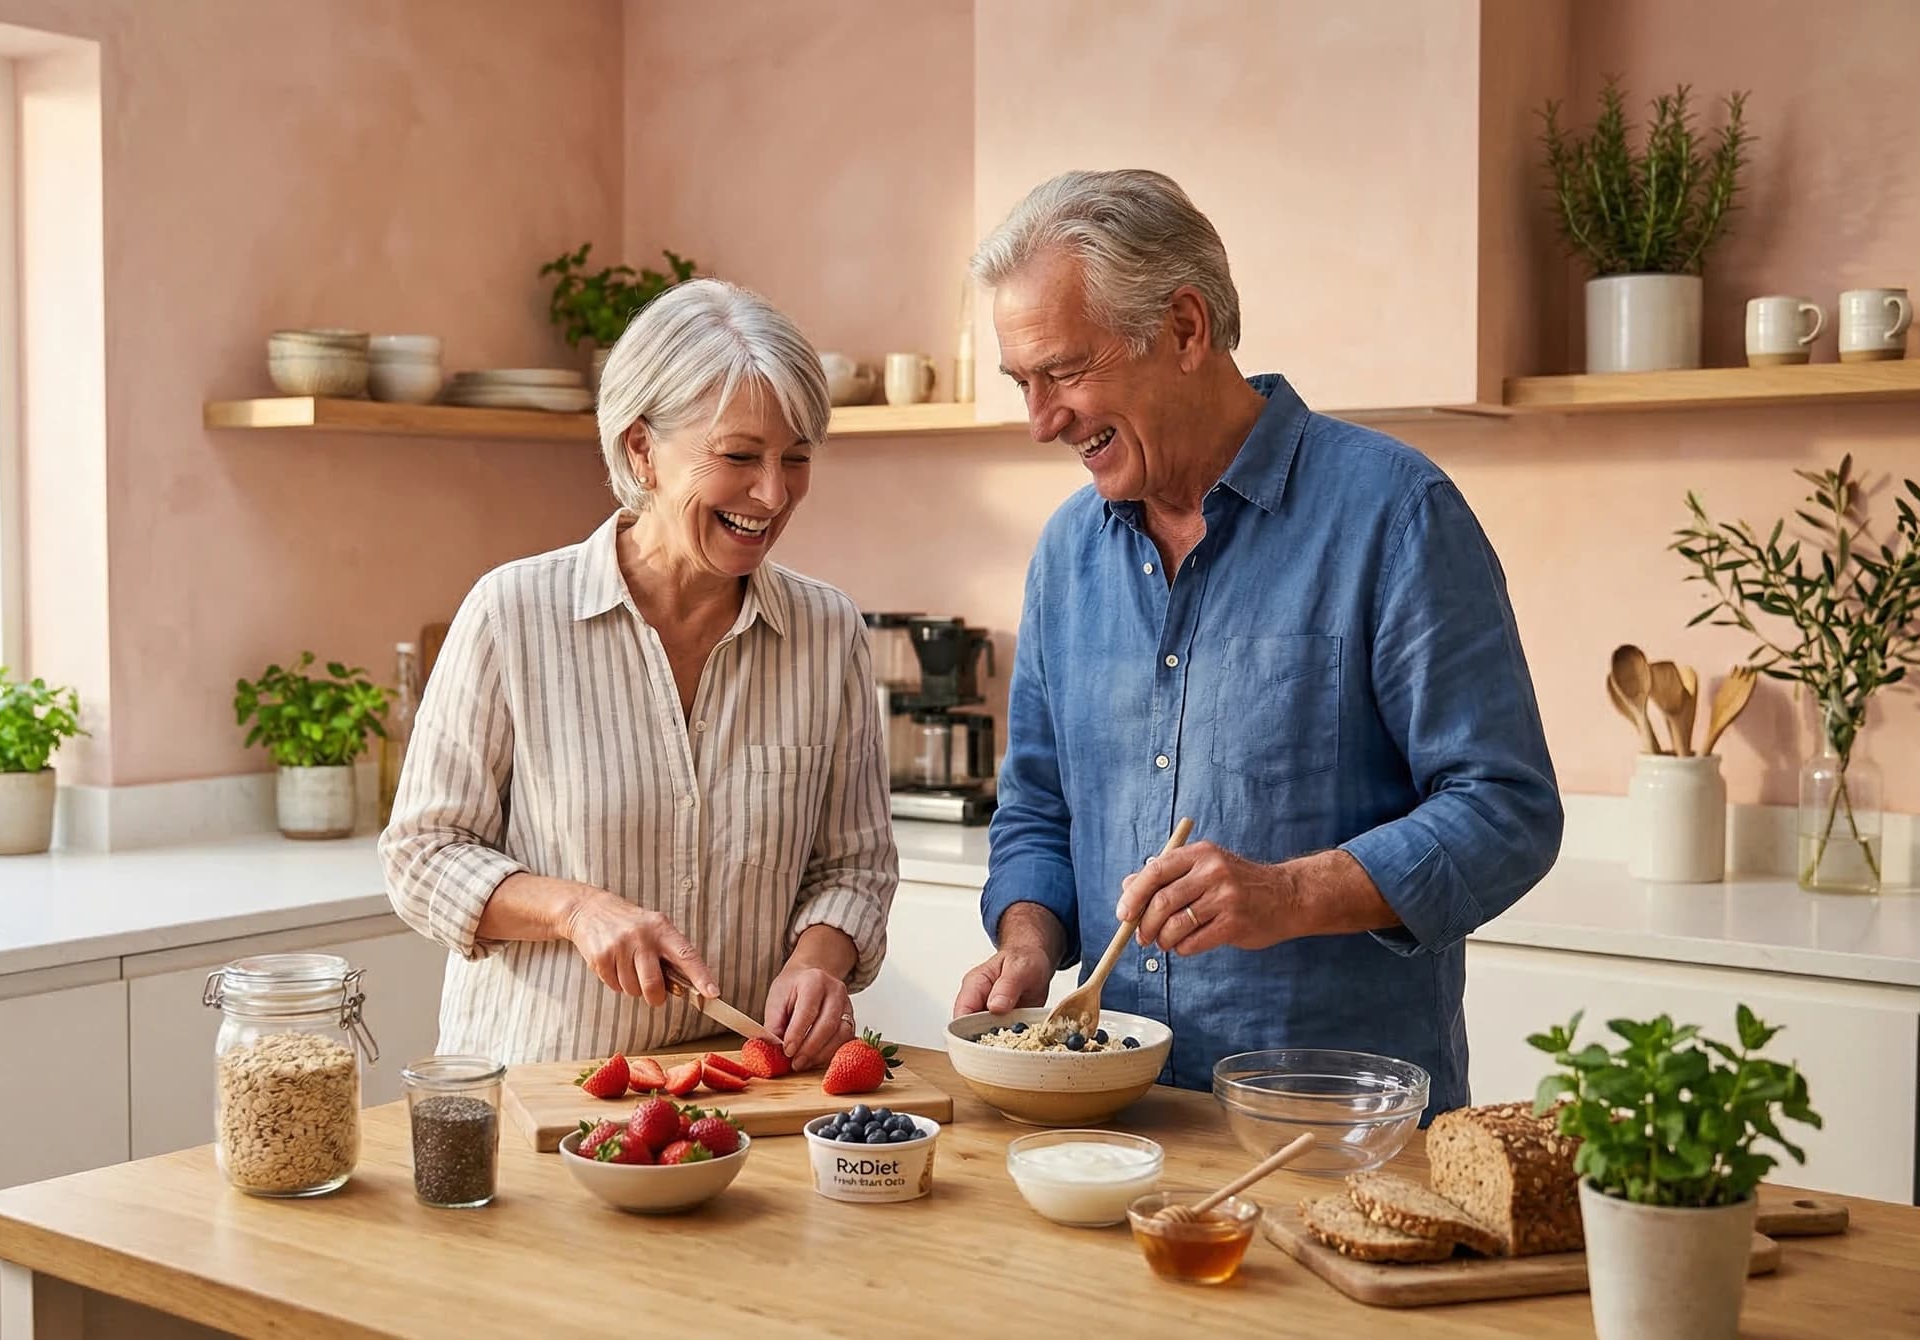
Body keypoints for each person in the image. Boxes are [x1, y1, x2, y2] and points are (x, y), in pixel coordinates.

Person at [951, 169, 1562, 1110]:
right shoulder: (1068, 553)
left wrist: (1287, 895)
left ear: (1187, 330)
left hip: (1335, 1125)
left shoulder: (1395, 514)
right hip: (1115, 1113)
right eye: (1022, 383)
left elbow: (1507, 811)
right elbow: (1038, 807)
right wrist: (1028, 944)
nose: (1041, 423)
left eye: (1065, 372)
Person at [382, 278, 897, 1068]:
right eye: (738, 456)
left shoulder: (827, 633)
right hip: (543, 1092)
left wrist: (819, 959)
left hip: (738, 1099)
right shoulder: (511, 614)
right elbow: (422, 855)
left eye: (795, 459)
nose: (772, 492)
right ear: (641, 449)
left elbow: (853, 864)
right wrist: (574, 910)